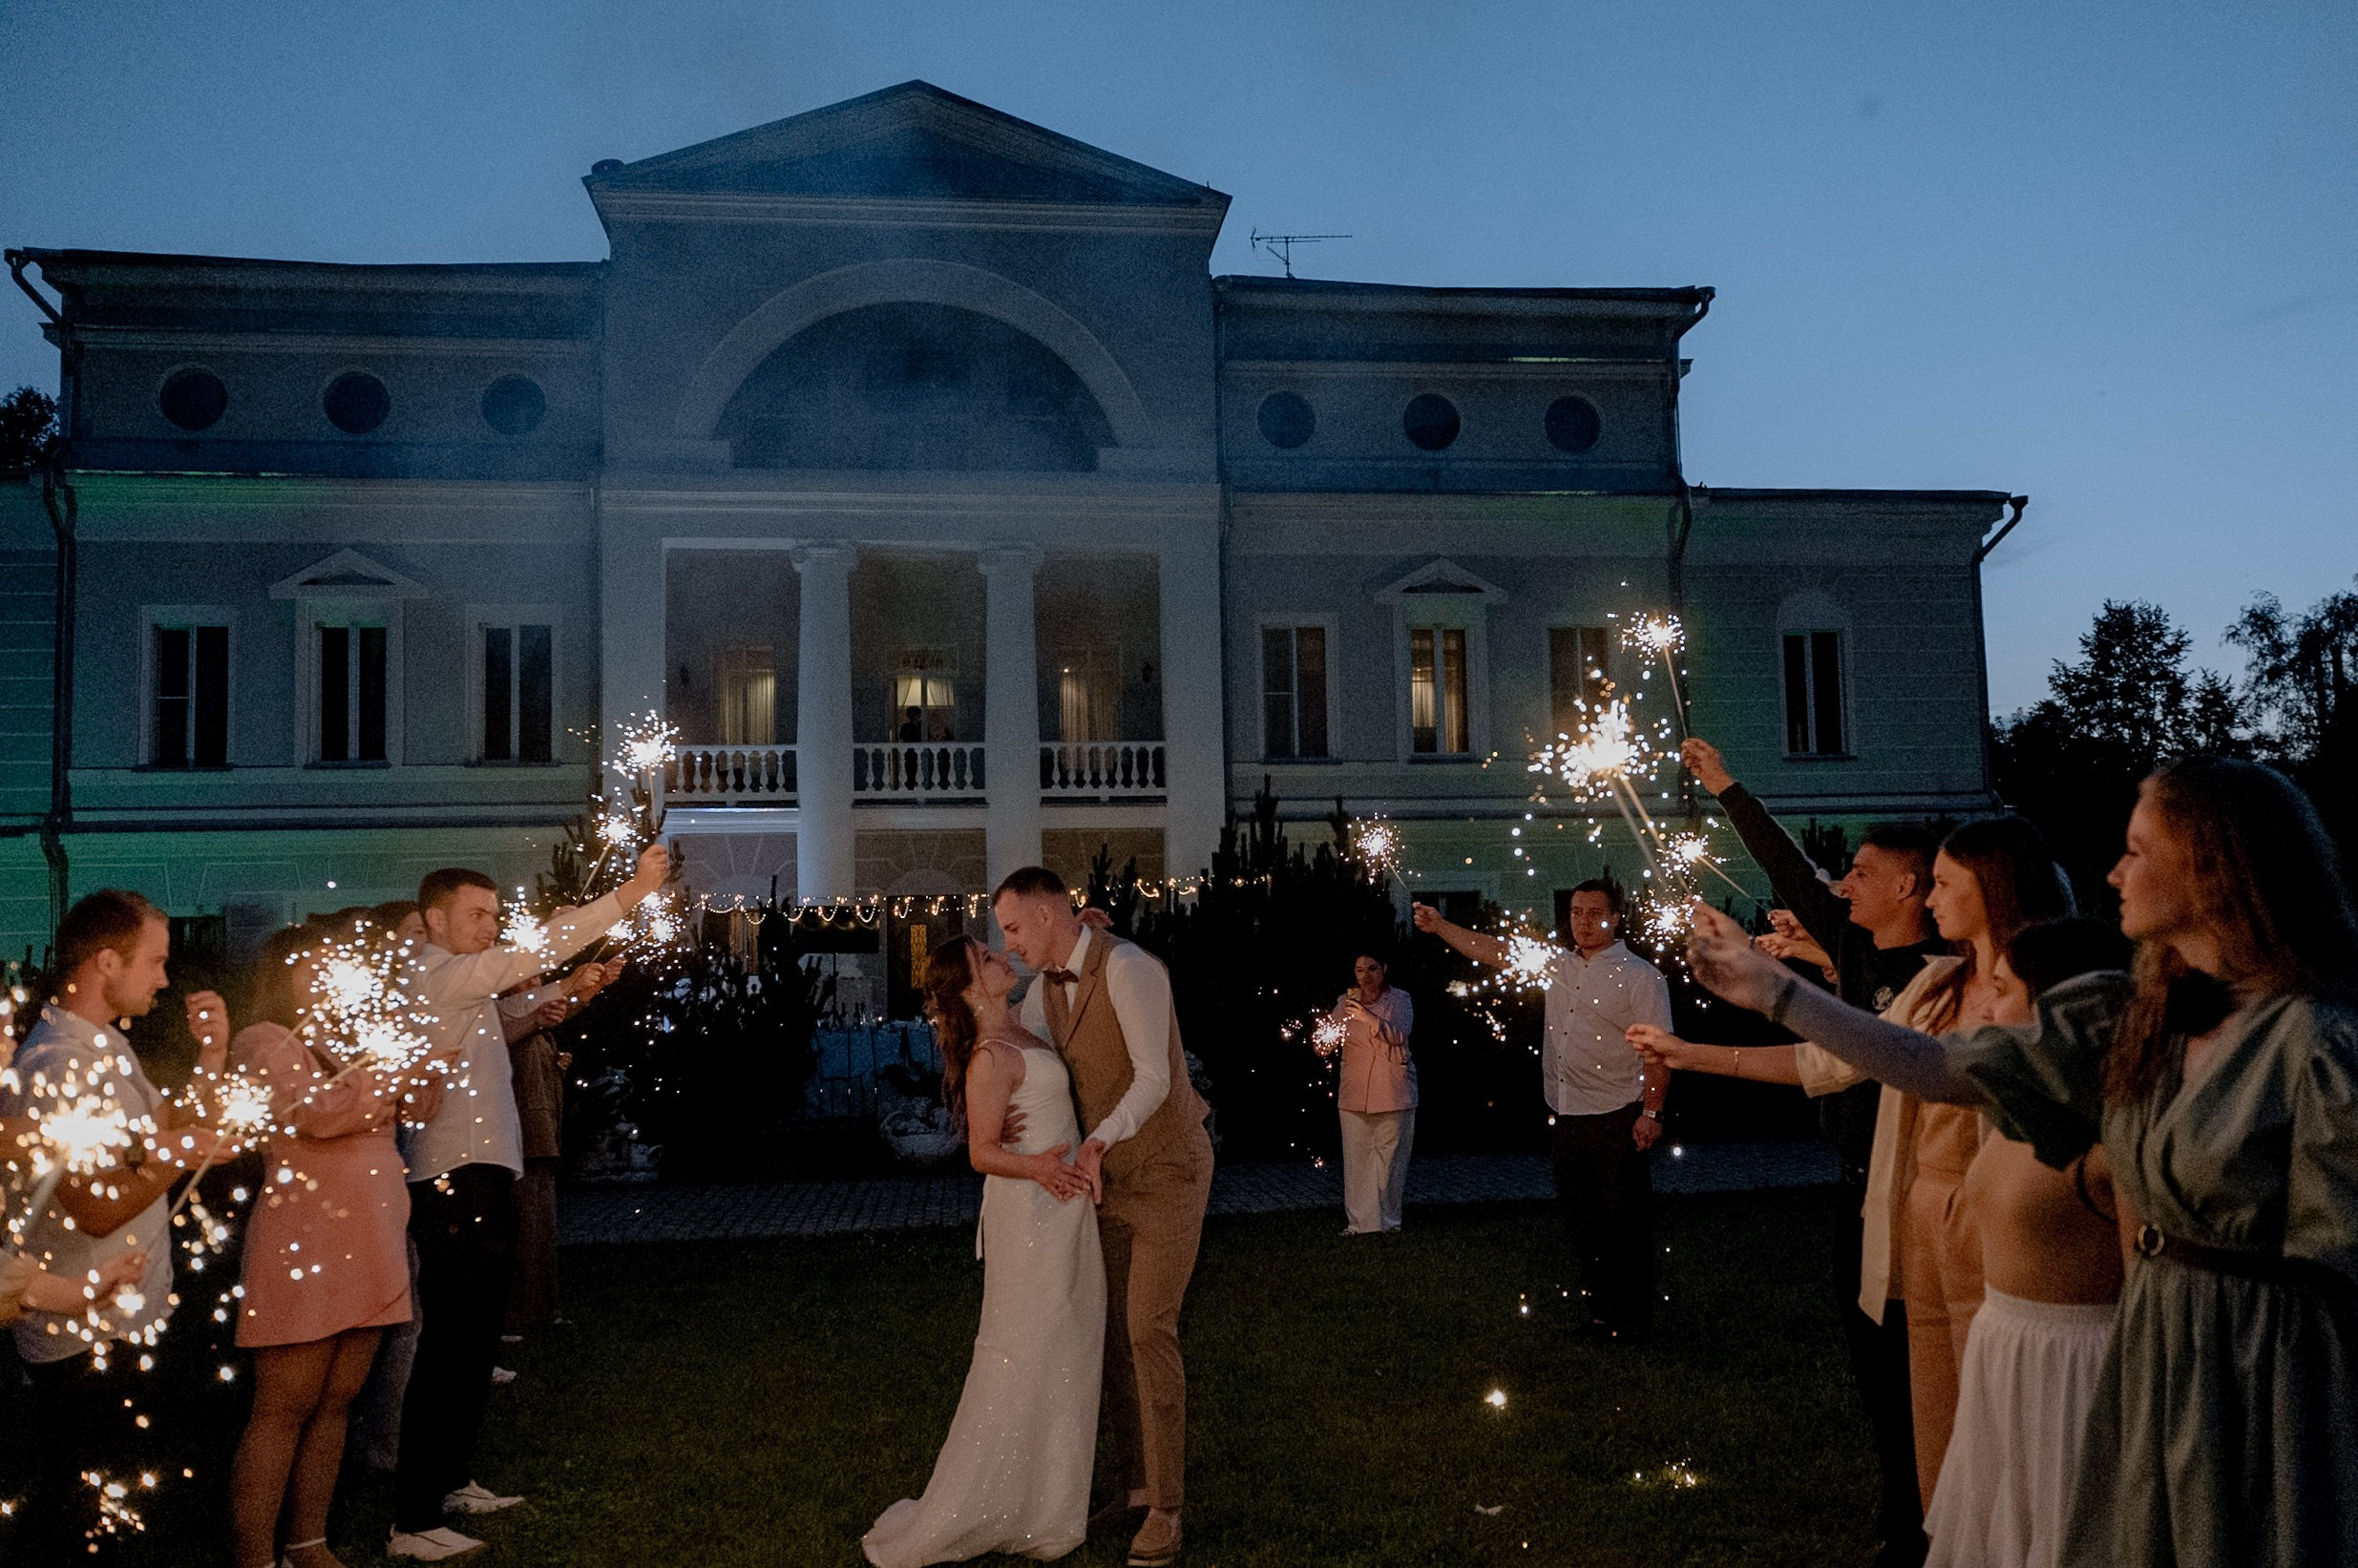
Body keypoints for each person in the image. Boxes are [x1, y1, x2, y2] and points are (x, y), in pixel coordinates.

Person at [1683, 756, 2358, 1567]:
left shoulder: (2319, 1050)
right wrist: (1775, 992)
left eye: (2139, 851)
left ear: (2214, 866)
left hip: (2266, 1376)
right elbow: (1938, 1064)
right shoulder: (2127, 1018)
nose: (2113, 870)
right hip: (2155, 1350)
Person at [1637, 817, 2074, 1500]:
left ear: (1993, 889)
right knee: (1917, 1425)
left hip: (2003, 1240)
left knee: (2006, 1441)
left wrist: (1779, 991)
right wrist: (1693, 1053)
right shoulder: (1934, 987)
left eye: (1947, 884)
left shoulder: (2050, 996)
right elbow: (1834, 1061)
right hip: (1909, 1230)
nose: (1931, 898)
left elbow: (1927, 1066)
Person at [1683, 736, 1946, 1565]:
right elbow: (1792, 867)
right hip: (1855, 1184)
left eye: (1863, 872)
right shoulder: (1856, 942)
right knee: (1873, 1366)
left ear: (1909, 885)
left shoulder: (1941, 977)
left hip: (1914, 1195)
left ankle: (1924, 1518)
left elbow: (1832, 1060)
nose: (1844, 883)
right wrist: (1725, 785)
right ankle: (1902, 1506)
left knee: (1917, 1371)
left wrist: (1786, 985)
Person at [389, 847, 667, 1563]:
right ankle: (412, 1516)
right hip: (453, 1180)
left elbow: (521, 1001)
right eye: (476, 914)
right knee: (451, 1342)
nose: (490, 926)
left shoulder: (465, 988)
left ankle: (450, 1480)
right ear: (434, 919)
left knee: (476, 1339)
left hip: (482, 1174)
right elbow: (535, 951)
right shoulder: (436, 973)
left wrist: (574, 988)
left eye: (494, 914)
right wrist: (632, 891)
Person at [0, 889, 233, 1563]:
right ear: (107, 961)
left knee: (122, 1495)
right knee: (82, 1505)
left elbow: (164, 1132)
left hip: (124, 1309)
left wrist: (211, 1058)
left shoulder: (101, 1044)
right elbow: (97, 1206)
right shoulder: (59, 1063)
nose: (165, 977)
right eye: (155, 962)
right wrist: (177, 1159)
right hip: (81, 1333)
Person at [991, 868, 1213, 1568]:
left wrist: (1098, 1137)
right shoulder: (1041, 994)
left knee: (1148, 1325)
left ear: (1051, 916)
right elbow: (1008, 1038)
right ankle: (1138, 1485)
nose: (1012, 943)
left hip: (1170, 1168)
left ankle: (1170, 1510)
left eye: (1015, 928)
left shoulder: (1133, 968)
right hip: (1106, 1182)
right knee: (1113, 1332)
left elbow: (1155, 1075)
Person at [863, 936, 1104, 1567]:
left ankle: (1051, 1504)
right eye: (985, 955)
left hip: (1065, 1206)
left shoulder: (1023, 1026)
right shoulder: (990, 1057)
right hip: (1031, 1214)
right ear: (971, 984)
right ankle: (991, 1502)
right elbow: (980, 1152)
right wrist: (1038, 1167)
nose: (1001, 954)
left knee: (1069, 1345)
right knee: (1026, 1349)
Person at [227, 924, 449, 1568]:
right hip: (306, 1241)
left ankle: (309, 1541)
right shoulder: (265, 1040)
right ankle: (254, 1556)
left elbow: (413, 1107)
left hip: (372, 1238)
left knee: (336, 1400)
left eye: (334, 966)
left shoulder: (351, 1043)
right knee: (281, 1405)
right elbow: (313, 1112)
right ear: (280, 976)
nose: (326, 978)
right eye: (310, 967)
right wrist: (384, 1076)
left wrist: (424, 1068)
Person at [1415, 881, 1670, 1343]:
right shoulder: (1559, 964)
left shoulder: (1641, 977)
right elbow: (1495, 950)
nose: (1584, 922)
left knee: (1624, 1222)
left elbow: (1658, 1053)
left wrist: (1651, 1112)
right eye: (1576, 912)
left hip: (1616, 1114)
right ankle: (1600, 1315)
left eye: (1595, 912)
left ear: (1617, 916)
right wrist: (1440, 927)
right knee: (1584, 1223)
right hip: (1566, 1114)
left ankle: (1635, 1321)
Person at [502, 960, 621, 1339]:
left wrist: (592, 989)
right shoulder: (504, 1021)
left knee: (541, 1229)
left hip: (542, 1136)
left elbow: (558, 1013)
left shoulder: (535, 1024)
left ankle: (542, 1309)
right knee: (522, 1230)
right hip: (522, 1137)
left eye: (538, 977)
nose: (535, 983)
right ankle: (516, 1314)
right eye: (527, 978)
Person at [1331, 951, 1416, 1235]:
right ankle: (1358, 1223)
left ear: (1385, 968)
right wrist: (1325, 1035)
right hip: (1354, 1093)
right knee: (1356, 1160)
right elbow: (1326, 1043)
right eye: (1359, 970)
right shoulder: (1345, 1003)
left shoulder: (1400, 1000)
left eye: (1372, 968)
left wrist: (1367, 1017)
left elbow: (1398, 1034)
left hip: (1392, 1090)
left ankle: (1389, 1221)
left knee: (1390, 1160)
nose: (1366, 976)